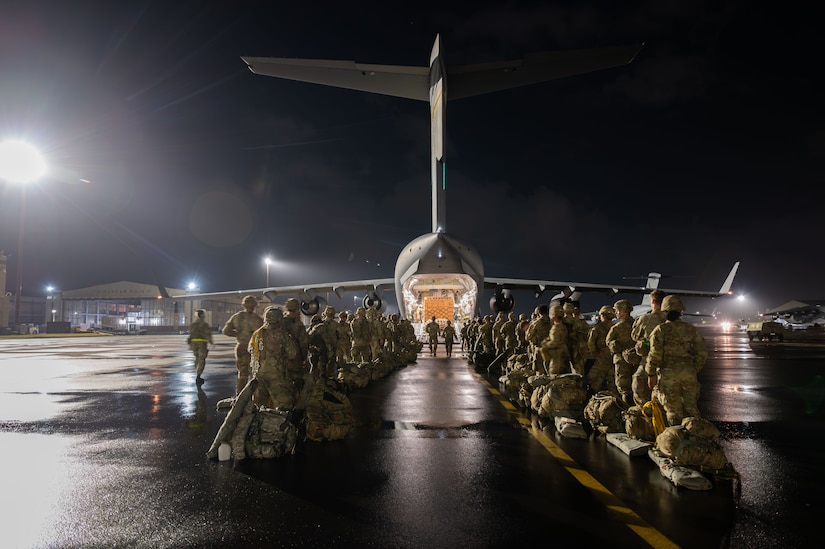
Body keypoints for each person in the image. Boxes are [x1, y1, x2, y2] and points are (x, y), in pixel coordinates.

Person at [646, 295, 708, 426]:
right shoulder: (691, 329)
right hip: (689, 374)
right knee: (691, 410)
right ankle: (695, 441)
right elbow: (702, 353)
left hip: (668, 376)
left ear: (664, 311)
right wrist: (692, 369)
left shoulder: (661, 330)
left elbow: (655, 355)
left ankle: (677, 442)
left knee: (673, 411)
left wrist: (651, 374)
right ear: (681, 311)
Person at [248, 306, 299, 410]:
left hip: (258, 375)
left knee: (259, 407)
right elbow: (292, 353)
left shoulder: (257, 334)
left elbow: (251, 350)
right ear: (278, 320)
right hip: (276, 376)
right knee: (285, 406)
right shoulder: (282, 335)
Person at [630, 289, 667, 406]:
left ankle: (646, 413)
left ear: (653, 301)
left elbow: (635, 335)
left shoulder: (646, 319)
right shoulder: (672, 319)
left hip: (649, 358)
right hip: (670, 361)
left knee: (638, 384)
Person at [221, 295, 264, 394]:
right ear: (254, 306)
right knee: (255, 373)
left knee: (242, 374)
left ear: (243, 305)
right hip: (254, 349)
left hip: (241, 347)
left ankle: (240, 396)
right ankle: (255, 396)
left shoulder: (237, 317)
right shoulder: (258, 319)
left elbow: (225, 330)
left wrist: (237, 334)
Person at [606, 299, 636, 406]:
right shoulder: (636, 325)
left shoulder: (616, 328)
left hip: (621, 362)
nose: (616, 313)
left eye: (617, 310)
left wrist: (618, 346)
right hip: (637, 360)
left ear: (622, 311)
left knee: (623, 388)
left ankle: (627, 410)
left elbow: (609, 344)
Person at [586, 305, 616, 394]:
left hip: (602, 356)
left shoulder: (597, 328)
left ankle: (592, 397)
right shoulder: (615, 327)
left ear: (602, 316)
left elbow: (591, 343)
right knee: (612, 380)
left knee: (594, 378)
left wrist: (595, 354)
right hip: (613, 356)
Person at [540, 305, 569, 375]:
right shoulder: (563, 326)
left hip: (556, 356)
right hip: (563, 353)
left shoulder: (556, 328)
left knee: (554, 376)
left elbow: (555, 342)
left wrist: (544, 344)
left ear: (555, 315)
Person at [187, 309, 212, 384]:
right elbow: (208, 334)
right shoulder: (205, 324)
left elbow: (190, 334)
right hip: (202, 343)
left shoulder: (193, 324)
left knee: (197, 358)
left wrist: (189, 343)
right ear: (203, 316)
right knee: (202, 359)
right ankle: (198, 375)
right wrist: (211, 342)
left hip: (194, 343)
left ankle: (197, 371)